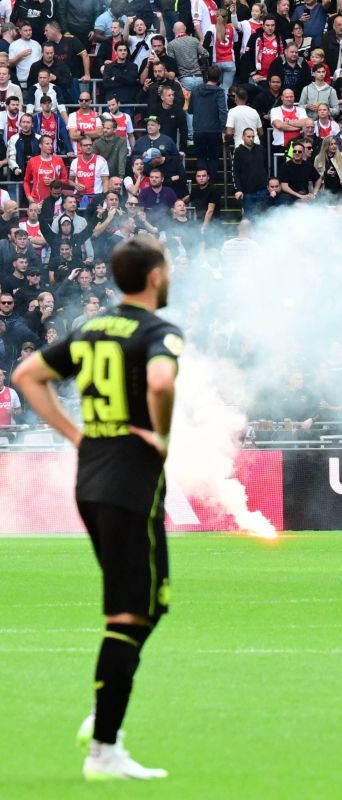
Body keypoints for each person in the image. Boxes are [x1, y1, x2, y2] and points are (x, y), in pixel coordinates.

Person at [12, 236, 180, 780]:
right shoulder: (158, 331)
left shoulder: (91, 328)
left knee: (150, 603)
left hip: (92, 477)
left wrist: (75, 435)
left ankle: (105, 711)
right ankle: (104, 748)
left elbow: (26, 377)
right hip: (131, 479)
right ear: (155, 276)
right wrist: (160, 436)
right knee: (130, 612)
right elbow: (159, 380)